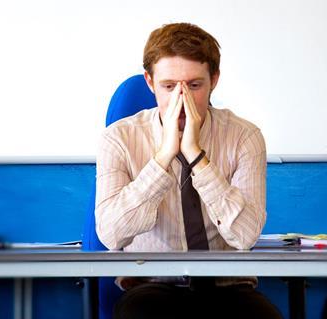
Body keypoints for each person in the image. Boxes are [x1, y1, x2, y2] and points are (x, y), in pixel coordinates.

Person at [95, 22, 282, 319]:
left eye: (194, 86)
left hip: (228, 288)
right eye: (169, 87)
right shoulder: (118, 139)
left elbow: (244, 236)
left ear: (214, 81)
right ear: (149, 82)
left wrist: (196, 155)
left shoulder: (245, 137)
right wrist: (164, 156)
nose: (181, 100)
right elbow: (111, 234)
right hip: (150, 287)